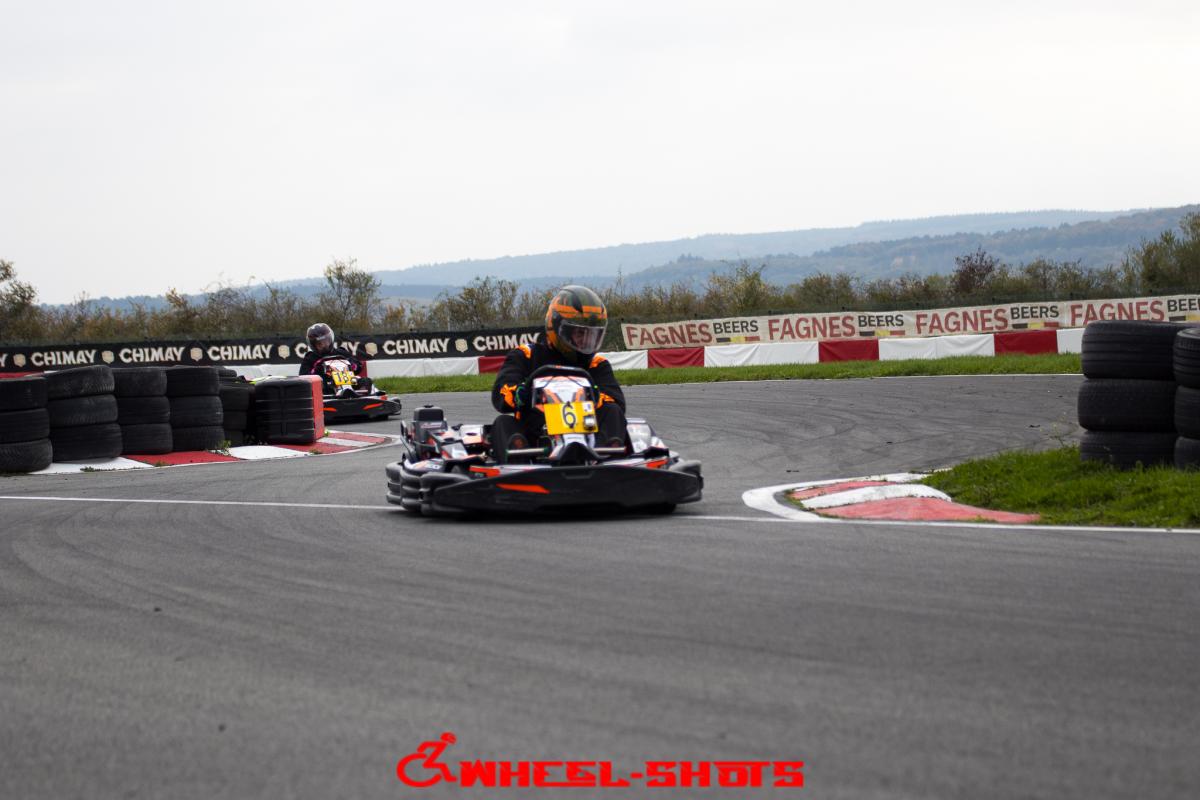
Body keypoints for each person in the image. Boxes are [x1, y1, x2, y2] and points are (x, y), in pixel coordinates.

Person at [490, 285, 626, 461]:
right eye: (580, 333)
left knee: (613, 412)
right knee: (503, 423)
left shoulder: (596, 364)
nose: (586, 341)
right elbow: (501, 392)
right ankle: (517, 460)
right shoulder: (526, 355)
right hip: (535, 438)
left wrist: (593, 395)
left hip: (589, 434)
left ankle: (608, 457)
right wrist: (519, 394)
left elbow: (616, 402)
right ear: (558, 328)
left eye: (591, 335)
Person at [298, 322, 366, 379]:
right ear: (313, 345)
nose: (324, 345)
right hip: (324, 388)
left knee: (366, 382)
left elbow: (358, 366)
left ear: (330, 339)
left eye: (325, 341)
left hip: (346, 384)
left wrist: (351, 365)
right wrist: (317, 371)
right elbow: (304, 378)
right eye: (319, 344)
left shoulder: (341, 353)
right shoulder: (310, 358)